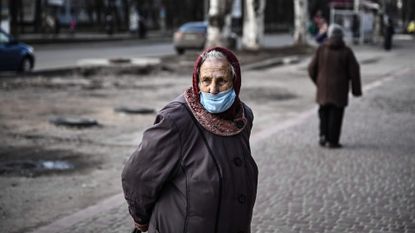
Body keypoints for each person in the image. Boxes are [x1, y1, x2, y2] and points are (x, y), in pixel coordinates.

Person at [122, 47, 258, 233]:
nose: (213, 89)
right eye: (206, 81)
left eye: (222, 81)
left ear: (235, 81)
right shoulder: (177, 119)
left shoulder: (242, 118)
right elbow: (138, 175)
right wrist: (141, 218)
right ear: (197, 81)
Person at [308, 24, 362, 148]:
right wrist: (356, 90)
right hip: (339, 90)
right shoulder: (346, 51)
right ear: (341, 36)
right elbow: (354, 71)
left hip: (323, 89)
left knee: (323, 113)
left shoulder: (321, 49)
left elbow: (311, 68)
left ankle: (323, 136)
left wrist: (318, 82)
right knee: (336, 115)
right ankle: (333, 141)